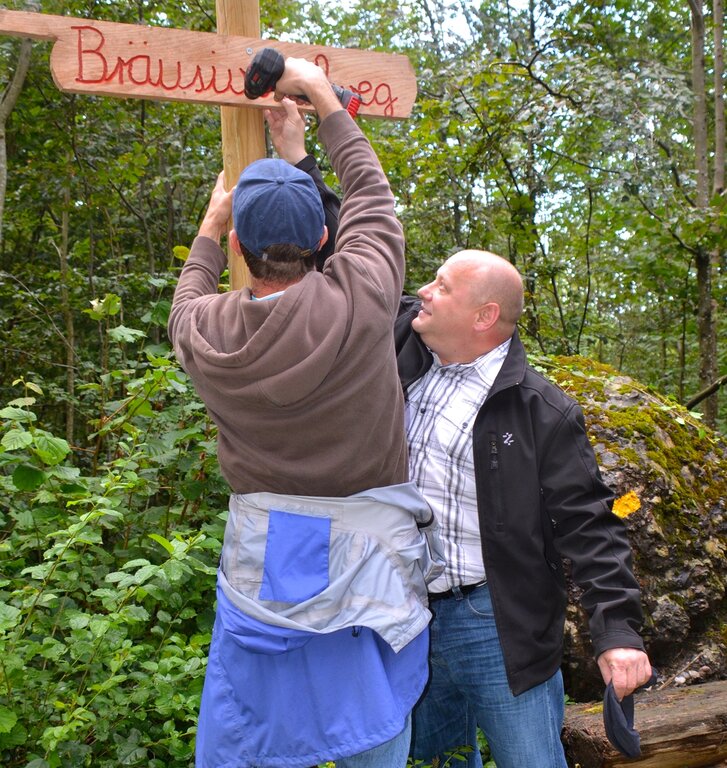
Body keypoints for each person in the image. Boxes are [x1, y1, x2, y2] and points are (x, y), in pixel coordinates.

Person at [168, 57, 442, 768]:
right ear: (324, 240)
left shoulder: (205, 332)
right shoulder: (359, 299)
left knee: (257, 719)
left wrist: (209, 224)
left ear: (238, 246)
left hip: (268, 548)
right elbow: (371, 198)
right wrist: (319, 98)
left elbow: (187, 296)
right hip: (367, 543)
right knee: (372, 716)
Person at [395, 250, 653, 768]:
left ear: (484, 316)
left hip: (495, 622)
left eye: (442, 287)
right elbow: (352, 253)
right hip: (403, 617)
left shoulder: (540, 410)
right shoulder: (407, 360)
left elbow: (589, 524)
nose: (423, 291)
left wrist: (617, 632)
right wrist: (303, 168)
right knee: (431, 762)